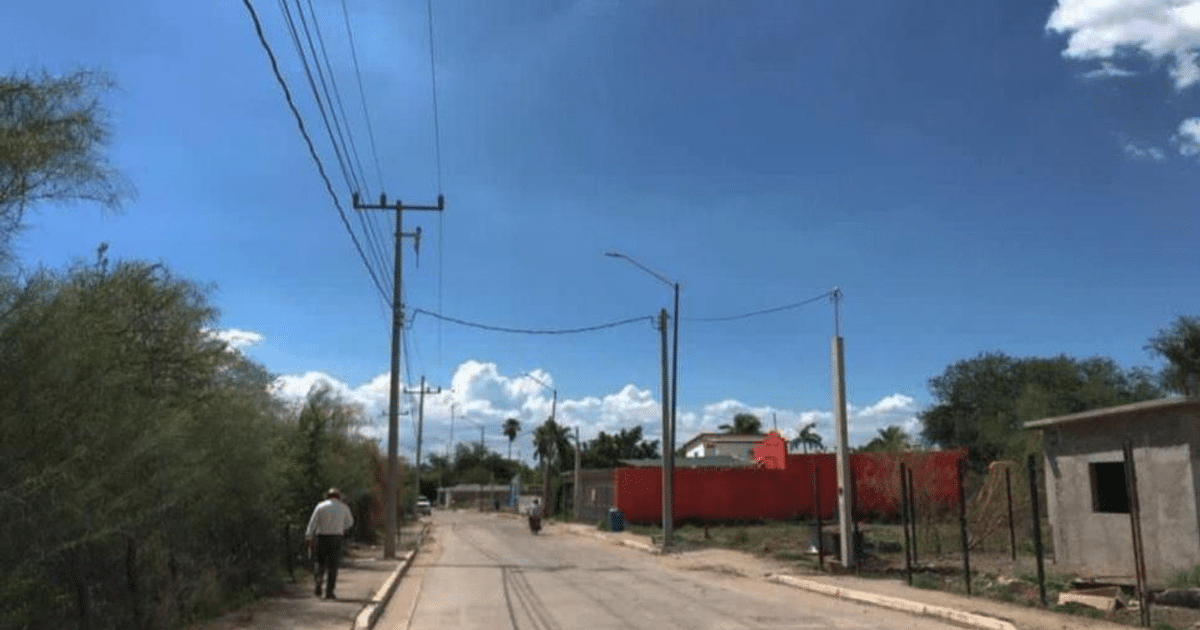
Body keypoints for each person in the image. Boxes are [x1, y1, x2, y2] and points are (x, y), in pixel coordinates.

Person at [306, 488, 355, 599]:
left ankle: (318, 583)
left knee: (320, 563)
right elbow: (350, 522)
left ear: (328, 496)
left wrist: (309, 536)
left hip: (321, 537)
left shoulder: (320, 506)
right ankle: (329, 592)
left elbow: (312, 522)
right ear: (338, 496)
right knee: (333, 566)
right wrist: (341, 528)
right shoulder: (343, 507)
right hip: (336, 538)